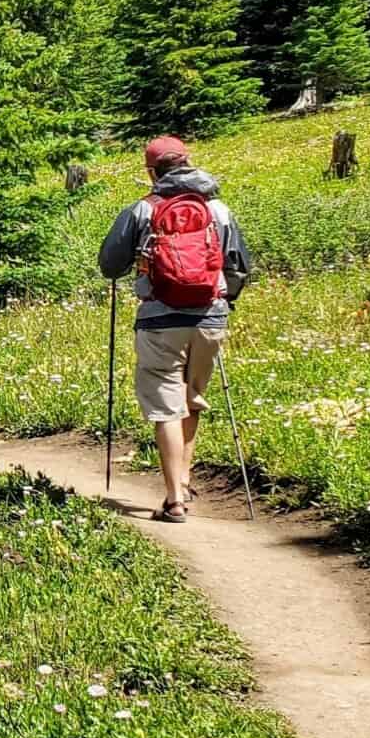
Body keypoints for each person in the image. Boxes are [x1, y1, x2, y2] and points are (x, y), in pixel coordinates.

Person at [98, 136, 252, 523]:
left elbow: (110, 265)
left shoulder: (143, 209)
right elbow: (237, 265)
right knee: (192, 397)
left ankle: (174, 500)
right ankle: (183, 480)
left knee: (165, 406)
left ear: (151, 170)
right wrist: (223, 302)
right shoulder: (217, 208)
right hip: (210, 318)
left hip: (159, 321)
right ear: (189, 163)